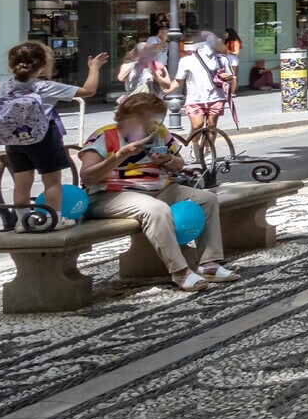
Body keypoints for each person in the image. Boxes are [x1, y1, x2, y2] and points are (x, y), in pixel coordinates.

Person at [81, 91, 233, 291]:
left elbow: (179, 164)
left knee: (206, 199)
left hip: (158, 188)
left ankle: (209, 264)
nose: (155, 123)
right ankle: (180, 272)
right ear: (131, 117)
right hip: (110, 193)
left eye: (156, 119)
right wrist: (119, 156)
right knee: (156, 209)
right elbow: (88, 177)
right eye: (150, 119)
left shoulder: (159, 133)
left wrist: (168, 160)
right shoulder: (104, 136)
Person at [0, 41, 107, 225]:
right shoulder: (46, 86)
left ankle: (23, 221)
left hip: (14, 140)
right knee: (51, 181)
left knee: (21, 181)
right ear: (43, 64)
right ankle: (54, 218)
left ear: (11, 65)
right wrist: (94, 68)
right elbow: (89, 91)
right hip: (44, 139)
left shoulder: (4, 85)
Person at [176, 31, 231, 136]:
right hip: (195, 98)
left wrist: (228, 77)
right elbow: (179, 80)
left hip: (216, 97)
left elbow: (231, 77)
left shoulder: (221, 59)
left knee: (212, 125)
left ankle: (209, 146)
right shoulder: (186, 60)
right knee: (197, 126)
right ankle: (195, 144)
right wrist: (168, 89)